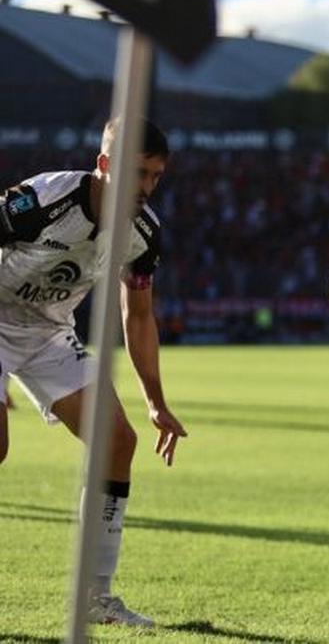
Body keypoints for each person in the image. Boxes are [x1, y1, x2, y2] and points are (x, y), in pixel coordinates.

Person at [0, 119, 188, 626]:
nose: (146, 188)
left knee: (117, 441)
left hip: (47, 334)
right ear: (105, 165)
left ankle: (96, 597)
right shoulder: (41, 200)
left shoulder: (142, 232)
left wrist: (155, 401)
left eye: (155, 177)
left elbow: (140, 314)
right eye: (137, 174)